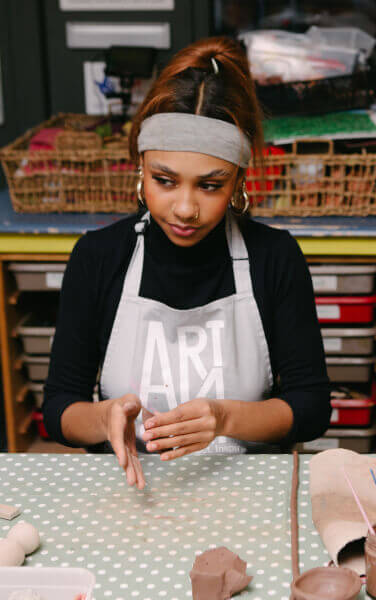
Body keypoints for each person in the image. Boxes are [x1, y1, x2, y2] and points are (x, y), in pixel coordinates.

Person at [43, 37, 330, 488]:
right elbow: (59, 408)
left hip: (245, 496)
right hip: (133, 495)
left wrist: (224, 417)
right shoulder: (99, 258)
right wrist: (104, 418)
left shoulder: (274, 259)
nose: (184, 208)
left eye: (210, 186)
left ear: (238, 181)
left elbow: (311, 407)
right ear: (140, 168)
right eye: (164, 180)